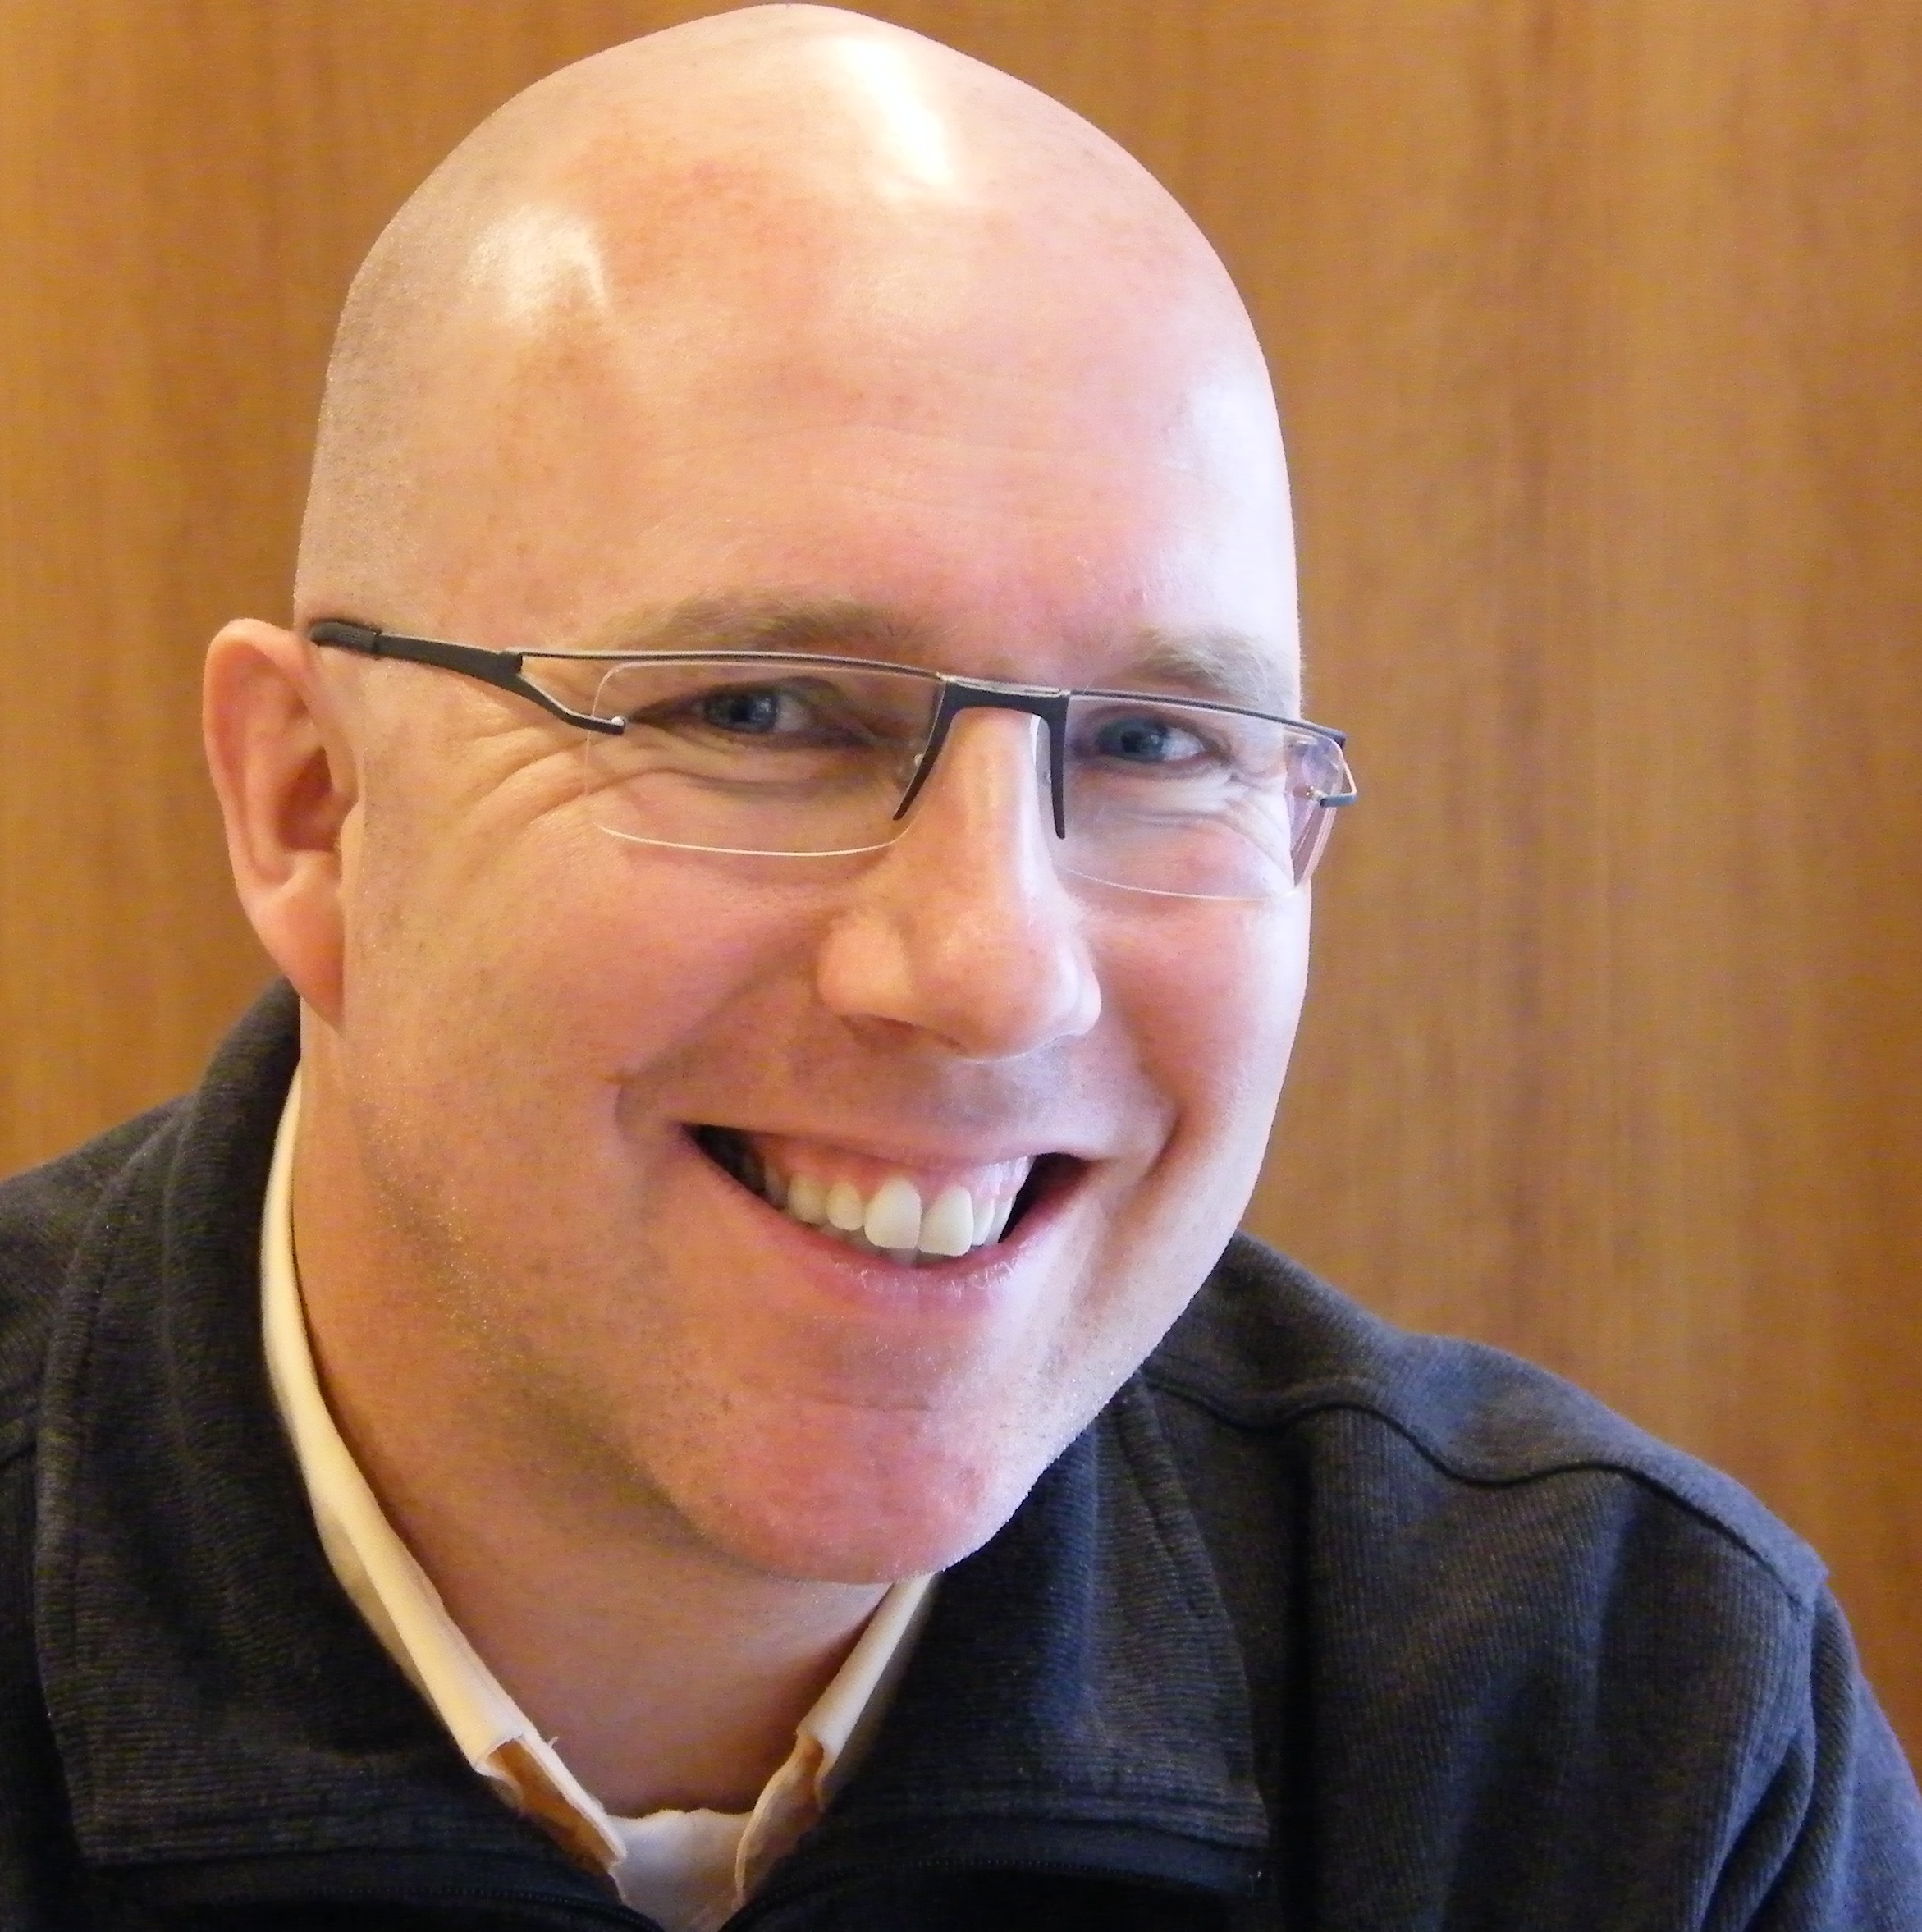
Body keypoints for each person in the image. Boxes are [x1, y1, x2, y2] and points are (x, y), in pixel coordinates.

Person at [1, 7, 1915, 1927]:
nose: (996, 973)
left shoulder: (1620, 1732)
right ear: (315, 806)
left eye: (1153, 744)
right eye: (760, 712)